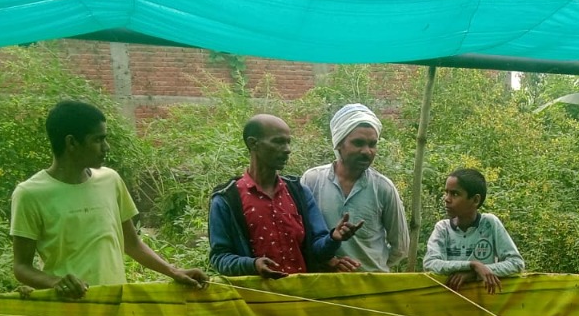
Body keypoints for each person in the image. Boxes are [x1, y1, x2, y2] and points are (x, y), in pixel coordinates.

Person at [11, 100, 207, 299]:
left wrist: (173, 271)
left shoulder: (110, 180)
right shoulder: (29, 194)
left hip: (116, 304)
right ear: (71, 143)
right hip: (69, 312)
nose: (106, 147)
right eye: (98, 140)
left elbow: (131, 244)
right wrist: (56, 282)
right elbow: (21, 267)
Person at [209, 114, 364, 279]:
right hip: (255, 299)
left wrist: (333, 238)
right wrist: (252, 264)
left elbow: (317, 249)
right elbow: (219, 257)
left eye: (288, 142)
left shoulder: (298, 193)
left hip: (301, 296)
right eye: (278, 142)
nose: (287, 149)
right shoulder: (228, 199)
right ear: (253, 143)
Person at [301, 103, 409, 272]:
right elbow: (301, 235)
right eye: (358, 143)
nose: (367, 151)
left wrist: (372, 266)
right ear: (338, 144)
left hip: (372, 287)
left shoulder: (383, 188)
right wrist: (328, 260)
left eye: (372, 144)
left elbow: (400, 246)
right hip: (323, 284)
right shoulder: (311, 181)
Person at [423, 168, 524, 292]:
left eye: (455, 194)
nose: (447, 199)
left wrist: (474, 274)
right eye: (446, 192)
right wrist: (472, 265)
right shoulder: (443, 228)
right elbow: (430, 264)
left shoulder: (489, 224)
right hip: (448, 303)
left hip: (484, 303)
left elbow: (516, 263)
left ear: (475, 200)